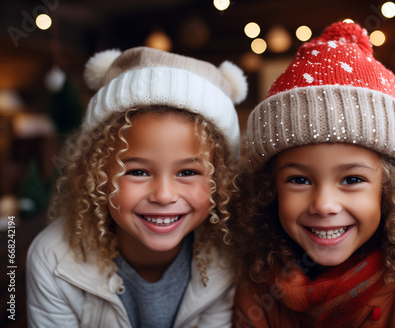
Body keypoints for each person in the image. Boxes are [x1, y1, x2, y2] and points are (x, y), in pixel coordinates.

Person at [231, 22, 395, 327]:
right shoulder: (257, 280)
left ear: (393, 189)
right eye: (299, 180)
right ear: (268, 190)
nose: (324, 204)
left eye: (351, 180)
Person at [26, 46, 247, 327]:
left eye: (188, 171)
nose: (164, 195)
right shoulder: (53, 259)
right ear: (98, 175)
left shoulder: (227, 255)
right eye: (138, 171)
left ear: (221, 181)